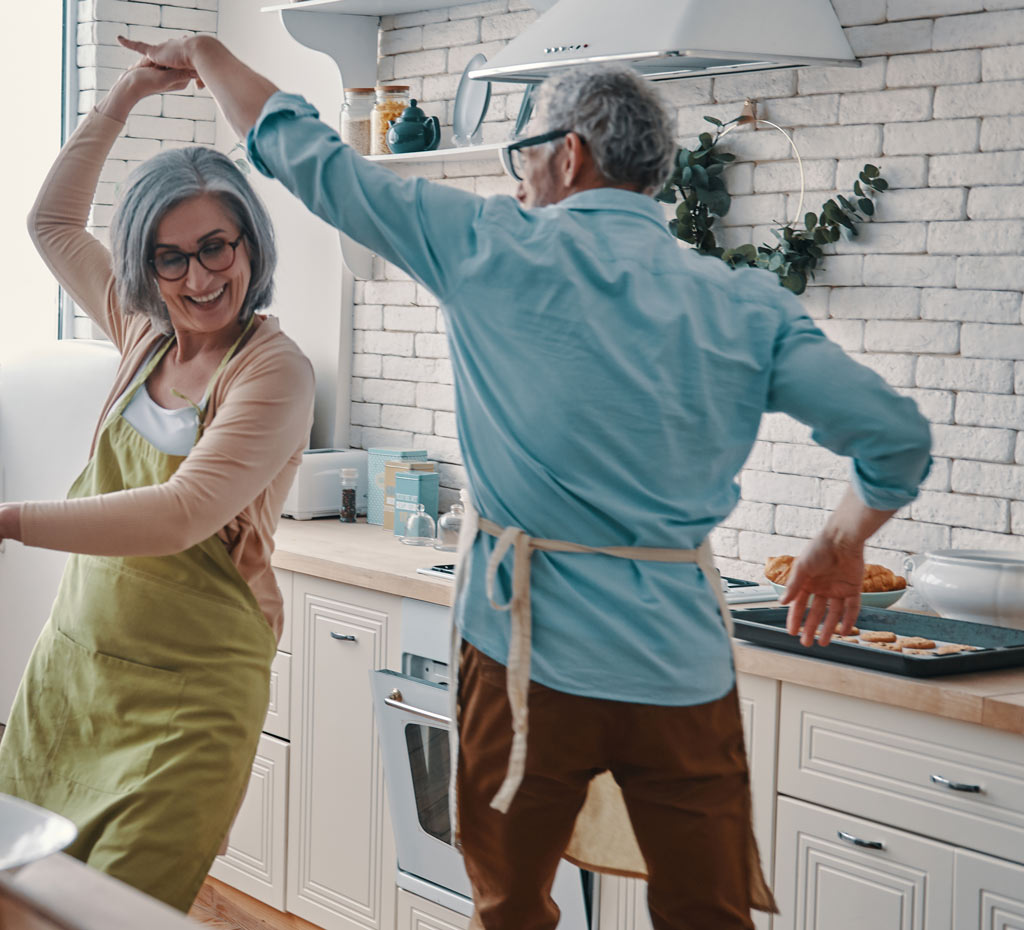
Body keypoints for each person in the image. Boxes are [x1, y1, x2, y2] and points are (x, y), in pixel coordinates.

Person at [118, 35, 932, 930]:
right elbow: (896, 441)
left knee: (509, 909)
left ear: (569, 155)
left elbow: (308, 155)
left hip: (521, 658)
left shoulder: (488, 246)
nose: (515, 179)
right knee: (707, 914)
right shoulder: (741, 302)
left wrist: (206, 53)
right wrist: (839, 542)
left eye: (523, 153)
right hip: (682, 666)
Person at [0, 59, 314, 912]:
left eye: (216, 248)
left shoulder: (272, 372)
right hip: (75, 677)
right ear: (145, 267)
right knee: (12, 900)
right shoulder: (144, 332)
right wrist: (123, 98)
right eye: (171, 259)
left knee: (114, 912)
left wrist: (8, 520)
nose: (199, 280)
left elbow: (182, 514)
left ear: (249, 245)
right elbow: (52, 221)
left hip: (191, 701)